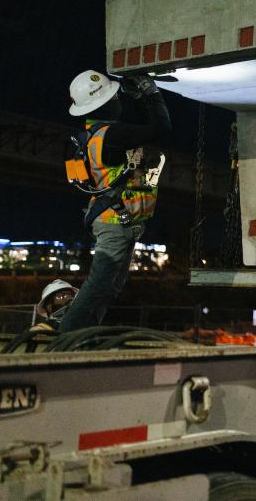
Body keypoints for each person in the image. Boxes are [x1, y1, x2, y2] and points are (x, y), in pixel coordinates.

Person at [60, 70, 171, 332]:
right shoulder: (111, 135)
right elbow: (161, 128)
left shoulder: (90, 137)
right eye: (115, 95)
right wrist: (151, 94)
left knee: (109, 287)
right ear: (106, 102)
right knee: (100, 283)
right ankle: (65, 337)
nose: (119, 99)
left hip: (113, 220)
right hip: (115, 222)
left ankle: (83, 334)